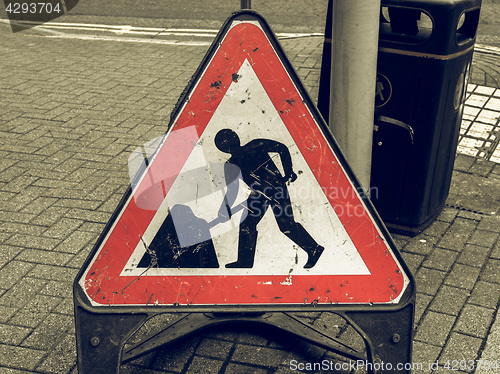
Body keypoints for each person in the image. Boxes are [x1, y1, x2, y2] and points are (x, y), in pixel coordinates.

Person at [215, 128, 324, 269]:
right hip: (259, 195)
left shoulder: (254, 145)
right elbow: (232, 190)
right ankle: (245, 261)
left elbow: (282, 148)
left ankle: (314, 248)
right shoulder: (231, 164)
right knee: (247, 224)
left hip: (276, 189)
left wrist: (288, 171)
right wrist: (226, 210)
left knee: (286, 225)